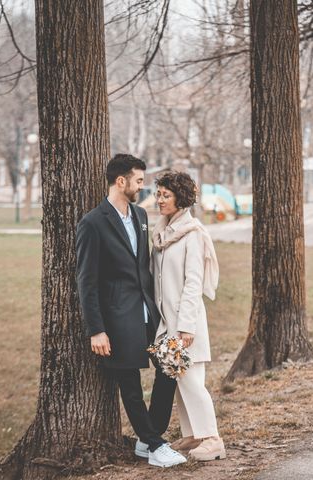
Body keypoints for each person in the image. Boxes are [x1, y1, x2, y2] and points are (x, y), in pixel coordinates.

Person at [75, 154, 186, 468]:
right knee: (130, 384)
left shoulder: (139, 215)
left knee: (173, 364)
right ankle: (155, 445)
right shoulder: (92, 222)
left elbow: (144, 267)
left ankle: (147, 436)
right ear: (120, 181)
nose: (143, 186)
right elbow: (87, 280)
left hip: (148, 315)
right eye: (139, 180)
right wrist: (96, 329)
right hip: (117, 318)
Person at [151, 171, 226, 461]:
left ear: (180, 198)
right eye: (158, 194)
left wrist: (185, 326)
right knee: (181, 381)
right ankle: (193, 435)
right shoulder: (162, 233)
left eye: (165, 195)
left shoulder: (192, 234)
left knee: (193, 381)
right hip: (167, 322)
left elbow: (193, 282)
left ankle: (212, 438)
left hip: (186, 324)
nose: (159, 200)